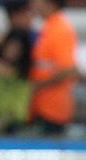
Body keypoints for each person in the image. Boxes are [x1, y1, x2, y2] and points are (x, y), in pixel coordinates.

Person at [29, 0, 78, 135]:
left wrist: (38, 86)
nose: (33, 4)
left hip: (54, 109)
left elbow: (68, 70)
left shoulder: (60, 29)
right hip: (42, 106)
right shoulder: (49, 27)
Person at [0, 1, 34, 133]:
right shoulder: (3, 40)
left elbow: (5, 72)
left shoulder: (22, 67)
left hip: (17, 122)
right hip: (0, 119)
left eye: (16, 48)